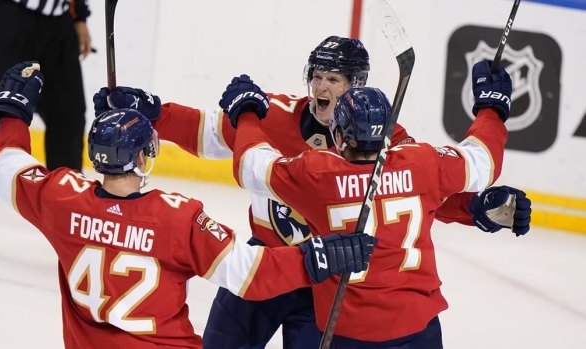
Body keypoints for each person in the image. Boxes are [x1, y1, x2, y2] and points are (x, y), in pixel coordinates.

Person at [92, 35, 531, 348]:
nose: (321, 87)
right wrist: (151, 114)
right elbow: (207, 130)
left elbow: (414, 198)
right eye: (317, 76)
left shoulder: (386, 140)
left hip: (324, 280)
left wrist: (472, 207)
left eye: (334, 79)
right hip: (265, 263)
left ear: (356, 85)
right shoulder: (276, 113)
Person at [0, 61, 377, 348]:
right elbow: (250, 272)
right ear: (143, 157)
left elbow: (4, 166)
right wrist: (317, 256)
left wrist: (13, 112)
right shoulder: (177, 219)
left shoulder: (61, 199)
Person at [220, 56, 521, 347]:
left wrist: (246, 114)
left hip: (347, 329)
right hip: (418, 328)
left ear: (338, 135)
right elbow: (483, 161)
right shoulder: (423, 163)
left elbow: (250, 165)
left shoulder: (317, 175)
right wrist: (491, 107)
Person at [0, 0, 92, 236]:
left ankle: (68, 219)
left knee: (68, 122)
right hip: (8, 16)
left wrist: (79, 17)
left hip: (58, 23)